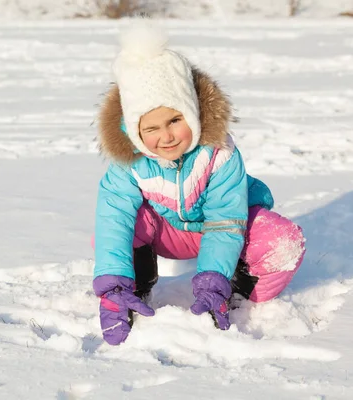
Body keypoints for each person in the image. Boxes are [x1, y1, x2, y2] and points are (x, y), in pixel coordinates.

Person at [92, 25, 306, 346]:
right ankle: (130, 290)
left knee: (282, 241)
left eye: (175, 121)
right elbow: (113, 219)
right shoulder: (130, 161)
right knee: (121, 225)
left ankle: (231, 293)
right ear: (135, 130)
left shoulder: (219, 153)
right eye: (151, 128)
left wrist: (213, 277)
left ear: (191, 112)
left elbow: (224, 220)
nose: (166, 136)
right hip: (166, 231)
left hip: (220, 228)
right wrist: (112, 285)